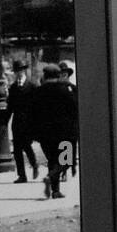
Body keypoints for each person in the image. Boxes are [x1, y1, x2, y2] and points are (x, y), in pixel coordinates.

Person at [31, 64, 78, 200]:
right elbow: (75, 110)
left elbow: (32, 114)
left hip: (45, 134)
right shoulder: (66, 90)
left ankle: (55, 190)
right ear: (58, 76)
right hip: (65, 133)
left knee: (52, 160)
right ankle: (51, 177)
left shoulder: (38, 92)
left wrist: (35, 133)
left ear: (45, 76)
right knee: (67, 160)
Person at [5, 60, 38, 184]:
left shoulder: (31, 86)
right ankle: (22, 175)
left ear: (24, 70)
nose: (18, 73)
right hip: (17, 122)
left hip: (28, 122)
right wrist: (5, 121)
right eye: (16, 71)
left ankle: (34, 165)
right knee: (17, 149)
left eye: (20, 70)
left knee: (26, 146)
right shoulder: (13, 87)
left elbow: (36, 105)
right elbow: (10, 106)